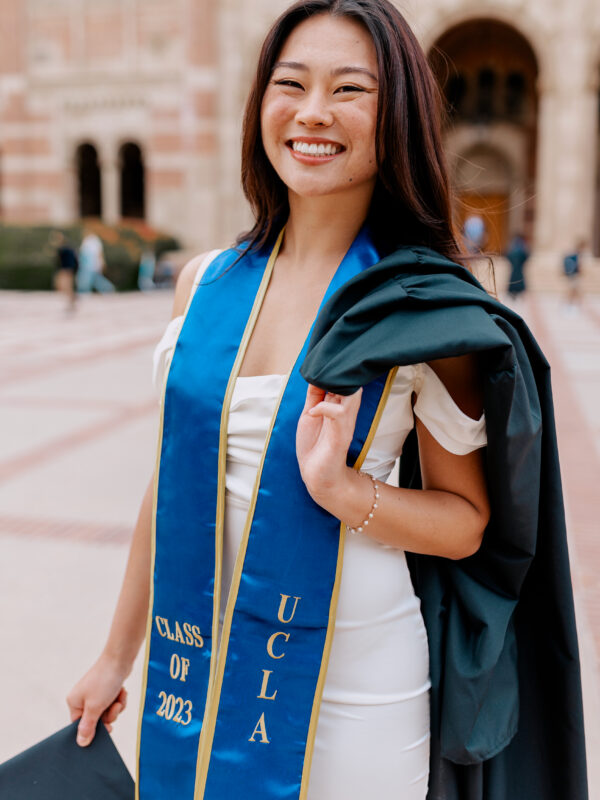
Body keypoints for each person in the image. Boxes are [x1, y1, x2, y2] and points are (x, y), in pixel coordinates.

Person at [67, 2, 587, 799]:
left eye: (351, 89)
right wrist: (114, 656)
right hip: (199, 668)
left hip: (359, 696)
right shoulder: (202, 287)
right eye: (291, 83)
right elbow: (170, 488)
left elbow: (466, 523)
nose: (313, 112)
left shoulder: (423, 310)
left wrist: (346, 491)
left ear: (397, 117)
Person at [77, 229, 115, 294]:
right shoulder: (87, 241)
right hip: (87, 264)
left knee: (92, 279)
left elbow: (98, 253)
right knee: (94, 279)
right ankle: (108, 289)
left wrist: (101, 262)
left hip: (91, 264)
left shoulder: (94, 240)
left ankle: (108, 289)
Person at [50, 230, 79, 313]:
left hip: (66, 270)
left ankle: (72, 300)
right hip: (67, 270)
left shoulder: (63, 249)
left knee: (66, 287)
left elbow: (60, 261)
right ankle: (71, 301)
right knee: (65, 287)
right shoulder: (67, 248)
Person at [563, 239, 586, 309]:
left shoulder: (574, 253)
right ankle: (569, 304)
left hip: (573, 274)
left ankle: (575, 304)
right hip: (574, 275)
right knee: (573, 289)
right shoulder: (577, 254)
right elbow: (578, 265)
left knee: (575, 289)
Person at [505, 232, 529, 299]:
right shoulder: (521, 247)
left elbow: (508, 256)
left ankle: (514, 293)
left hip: (514, 270)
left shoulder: (513, 247)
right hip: (518, 270)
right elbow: (526, 256)